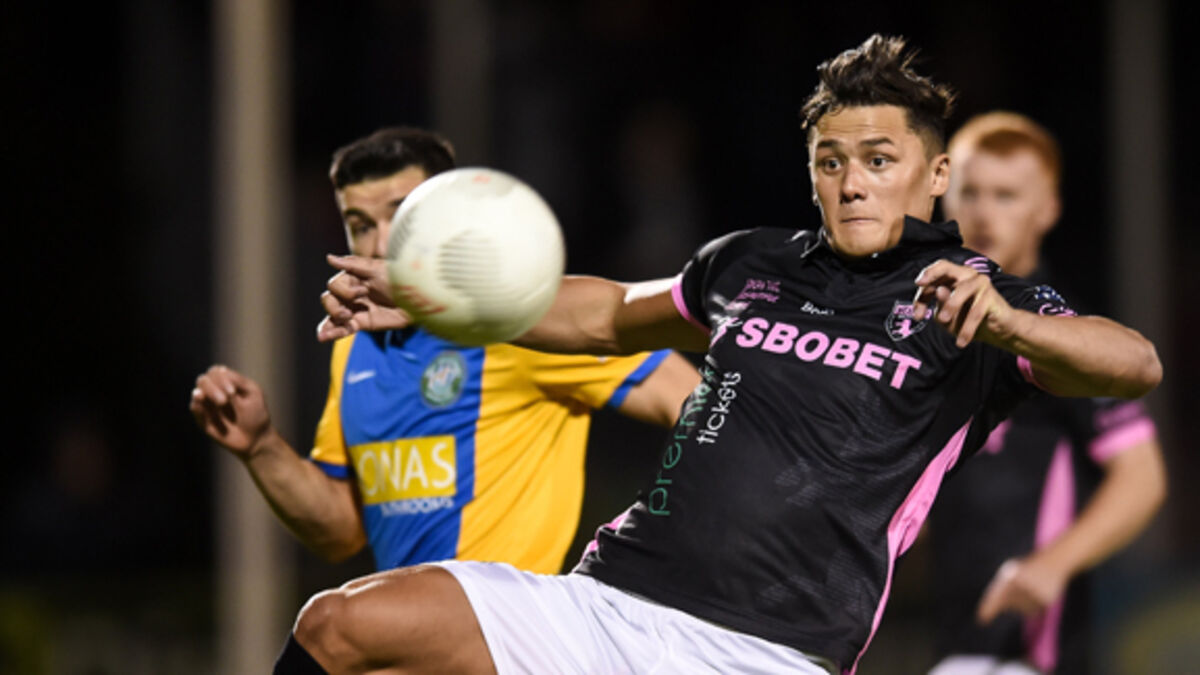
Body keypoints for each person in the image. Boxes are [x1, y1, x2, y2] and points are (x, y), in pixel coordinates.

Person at [279, 35, 1162, 675]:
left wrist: (1011, 325)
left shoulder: (974, 295)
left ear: (934, 176)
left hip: (770, 649)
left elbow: (1132, 361)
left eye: (878, 159)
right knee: (341, 624)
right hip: (608, 601)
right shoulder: (752, 263)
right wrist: (433, 296)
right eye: (831, 161)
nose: (852, 182)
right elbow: (603, 317)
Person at [190, 127, 700, 575]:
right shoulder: (355, 349)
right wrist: (262, 447)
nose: (380, 245)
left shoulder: (519, 328)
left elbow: (696, 400)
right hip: (409, 635)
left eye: (402, 218)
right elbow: (341, 530)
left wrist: (667, 538)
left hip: (506, 633)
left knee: (325, 623)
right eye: (361, 225)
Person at [924, 112, 1167, 675]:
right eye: (970, 192)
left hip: (1029, 655)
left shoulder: (1065, 341)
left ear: (1048, 209)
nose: (984, 214)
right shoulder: (925, 324)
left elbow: (1143, 476)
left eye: (1006, 195)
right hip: (952, 640)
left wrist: (1051, 565)